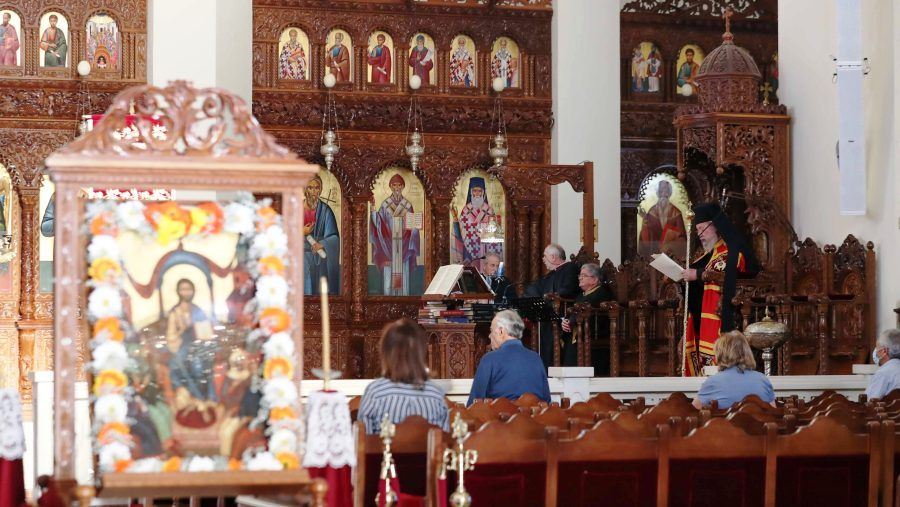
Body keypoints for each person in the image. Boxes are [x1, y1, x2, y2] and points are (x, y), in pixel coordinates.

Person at [681, 202, 756, 376]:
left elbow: (722, 273)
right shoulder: (707, 255)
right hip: (700, 318)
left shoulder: (731, 253)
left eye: (702, 229)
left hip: (721, 317)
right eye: (697, 230)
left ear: (715, 226)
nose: (700, 234)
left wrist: (697, 274)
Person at [358, 318, 449, 434]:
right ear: (421, 352)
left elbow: (363, 441)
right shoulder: (436, 395)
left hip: (384, 446)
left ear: (386, 353)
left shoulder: (375, 393)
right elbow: (443, 440)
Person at [468, 310, 550, 405]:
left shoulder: (489, 359)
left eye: (491, 330)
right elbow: (546, 401)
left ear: (501, 331)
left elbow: (474, 405)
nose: (489, 336)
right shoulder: (536, 359)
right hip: (532, 414)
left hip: (500, 414)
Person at [165, 279, 217, 426]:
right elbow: (170, 336)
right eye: (183, 289)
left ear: (193, 291)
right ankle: (197, 400)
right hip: (181, 346)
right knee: (187, 365)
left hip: (198, 344)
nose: (186, 292)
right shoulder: (175, 312)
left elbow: (206, 332)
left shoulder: (198, 310)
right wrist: (182, 330)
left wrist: (205, 337)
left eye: (189, 289)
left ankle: (207, 398)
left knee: (202, 364)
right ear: (178, 291)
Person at [524, 243, 580, 368]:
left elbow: (568, 289)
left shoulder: (570, 268)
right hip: (549, 314)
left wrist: (551, 298)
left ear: (553, 257)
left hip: (563, 314)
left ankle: (549, 369)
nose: (543, 259)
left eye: (545, 256)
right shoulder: (551, 274)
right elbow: (534, 288)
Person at [693, 331, 774, 409]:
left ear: (720, 354)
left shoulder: (712, 382)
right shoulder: (763, 380)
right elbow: (774, 412)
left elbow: (693, 411)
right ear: (747, 352)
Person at [370, 173, 420, 295]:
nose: (397, 188)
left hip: (404, 246)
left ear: (403, 187)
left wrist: (415, 228)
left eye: (399, 185)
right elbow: (378, 223)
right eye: (394, 185)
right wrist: (373, 210)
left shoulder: (407, 205)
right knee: (388, 280)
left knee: (404, 278)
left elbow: (412, 227)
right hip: (388, 246)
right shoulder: (385, 205)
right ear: (390, 187)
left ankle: (405, 300)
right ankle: (388, 300)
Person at [560, 263, 614, 369]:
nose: (580, 278)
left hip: (592, 333)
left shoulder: (602, 294)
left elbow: (592, 314)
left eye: (583, 275)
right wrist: (565, 322)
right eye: (580, 275)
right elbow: (571, 312)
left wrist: (572, 322)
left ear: (594, 279)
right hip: (577, 331)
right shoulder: (580, 296)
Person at [451, 176, 501, 270]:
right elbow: (459, 234)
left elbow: (495, 233)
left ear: (483, 192)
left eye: (479, 191)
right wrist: (455, 219)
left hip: (485, 250)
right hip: (468, 251)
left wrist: (487, 231)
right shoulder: (466, 210)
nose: (477, 193)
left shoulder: (489, 210)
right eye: (474, 191)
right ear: (471, 192)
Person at [303, 175, 340, 295]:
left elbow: (334, 237)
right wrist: (302, 232)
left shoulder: (325, 210)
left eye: (316, 188)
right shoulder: (297, 209)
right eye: (310, 188)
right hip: (300, 255)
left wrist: (322, 244)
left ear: (320, 189)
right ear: (305, 189)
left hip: (319, 257)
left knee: (318, 290)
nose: (313, 192)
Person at [638, 179, 686, 257]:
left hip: (671, 254)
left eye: (666, 189)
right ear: (658, 193)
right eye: (661, 190)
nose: (663, 192)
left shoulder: (676, 213)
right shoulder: (651, 212)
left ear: (669, 192)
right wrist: (645, 222)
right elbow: (645, 238)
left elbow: (682, 237)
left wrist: (670, 245)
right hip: (654, 253)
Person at [865, 329, 900, 400]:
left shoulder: (883, 373)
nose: (875, 352)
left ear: (884, 351)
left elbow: (869, 402)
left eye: (877, 348)